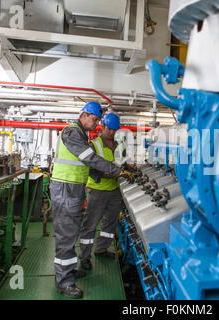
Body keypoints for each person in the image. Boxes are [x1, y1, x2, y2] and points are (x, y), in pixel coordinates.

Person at [50, 102, 134, 299]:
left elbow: (89, 166)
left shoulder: (82, 135)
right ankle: (64, 282)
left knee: (70, 233)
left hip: (73, 188)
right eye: (96, 120)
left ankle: (68, 271)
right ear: (85, 115)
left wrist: (121, 172)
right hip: (65, 188)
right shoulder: (72, 133)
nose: (97, 124)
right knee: (66, 235)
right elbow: (90, 159)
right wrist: (116, 170)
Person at [79, 113, 135, 270]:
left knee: (110, 223)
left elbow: (123, 162)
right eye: (109, 129)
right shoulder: (94, 146)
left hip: (114, 190)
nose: (112, 132)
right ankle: (84, 257)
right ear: (102, 127)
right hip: (98, 191)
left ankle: (101, 249)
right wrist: (111, 173)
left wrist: (129, 165)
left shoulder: (118, 146)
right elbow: (91, 169)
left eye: (115, 130)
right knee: (90, 225)